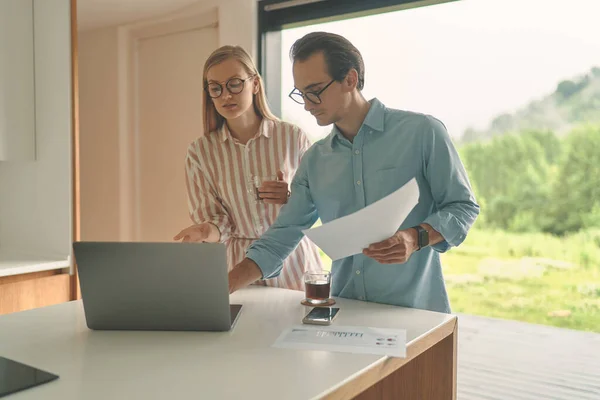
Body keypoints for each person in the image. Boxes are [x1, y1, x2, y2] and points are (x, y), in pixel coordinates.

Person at [227, 32, 480, 313]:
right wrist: (220, 287)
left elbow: (462, 207)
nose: (308, 104)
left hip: (417, 313)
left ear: (350, 79)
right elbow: (280, 238)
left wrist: (414, 237)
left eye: (315, 91)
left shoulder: (422, 133)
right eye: (300, 94)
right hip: (345, 314)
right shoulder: (314, 161)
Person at [173, 45, 323, 291]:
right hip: (238, 268)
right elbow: (217, 222)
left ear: (254, 84)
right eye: (216, 88)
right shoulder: (200, 152)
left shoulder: (291, 137)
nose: (225, 95)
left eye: (234, 83)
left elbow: (318, 203)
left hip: (293, 261)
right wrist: (202, 230)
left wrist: (289, 197)